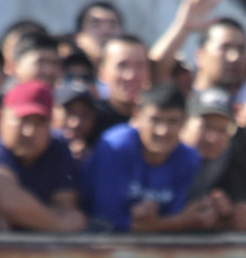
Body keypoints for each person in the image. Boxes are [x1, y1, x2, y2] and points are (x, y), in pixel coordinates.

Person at [82, 83, 211, 232]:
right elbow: (106, 220)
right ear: (137, 117)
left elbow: (179, 215)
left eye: (172, 121)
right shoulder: (115, 146)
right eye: (154, 120)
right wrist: (177, 222)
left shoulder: (189, 159)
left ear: (184, 122)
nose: (162, 131)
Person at [0, 80, 86, 232]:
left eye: (39, 122)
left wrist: (54, 221)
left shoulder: (57, 145)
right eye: (21, 120)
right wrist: (59, 224)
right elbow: (10, 205)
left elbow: (67, 206)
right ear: (1, 116)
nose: (29, 132)